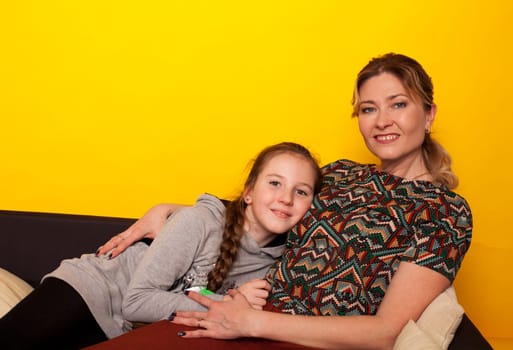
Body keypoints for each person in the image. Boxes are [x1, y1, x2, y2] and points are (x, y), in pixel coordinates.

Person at [96, 53, 473, 349]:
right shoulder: (341, 174)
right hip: (242, 313)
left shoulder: (444, 211)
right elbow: (273, 209)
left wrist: (251, 322)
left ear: (429, 114)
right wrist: (173, 211)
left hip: (298, 336)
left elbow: (386, 331)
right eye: (368, 109)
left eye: (398, 105)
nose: (381, 121)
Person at [0, 142, 323, 350]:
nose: (285, 197)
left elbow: (197, 296)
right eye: (275, 183)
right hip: (91, 289)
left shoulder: (280, 263)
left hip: (120, 329)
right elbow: (137, 301)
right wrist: (228, 306)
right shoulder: (201, 222)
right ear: (249, 192)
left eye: (301, 191)